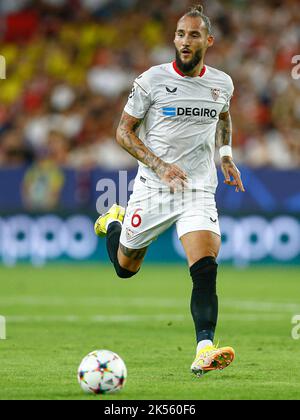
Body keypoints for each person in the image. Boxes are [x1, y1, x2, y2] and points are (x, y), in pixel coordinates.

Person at [95, 4, 245, 376]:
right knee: (126, 268)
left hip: (197, 189)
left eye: (193, 34)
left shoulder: (221, 83)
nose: (185, 40)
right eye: (180, 34)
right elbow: (123, 132)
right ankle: (114, 221)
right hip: (152, 187)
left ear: (208, 41)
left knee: (205, 265)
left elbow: (223, 117)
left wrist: (225, 156)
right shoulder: (151, 80)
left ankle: (204, 348)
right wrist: (160, 166)